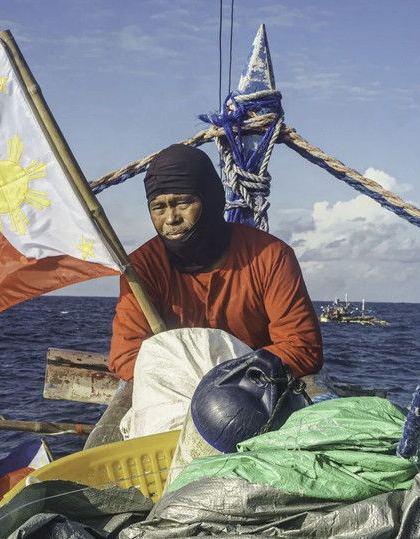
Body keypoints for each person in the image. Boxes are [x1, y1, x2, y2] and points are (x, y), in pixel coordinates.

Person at [107, 144, 323, 383]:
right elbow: (126, 355)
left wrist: (223, 381)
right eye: (158, 207)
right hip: (172, 392)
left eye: (183, 203)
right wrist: (190, 382)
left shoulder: (270, 256)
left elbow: (302, 346)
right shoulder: (141, 267)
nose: (170, 218)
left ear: (210, 200)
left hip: (253, 391)